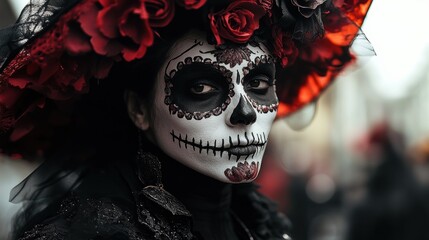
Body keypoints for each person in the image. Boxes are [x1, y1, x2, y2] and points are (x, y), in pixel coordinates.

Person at [0, 0, 372, 239]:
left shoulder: (259, 226)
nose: (245, 114)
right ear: (139, 109)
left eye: (259, 83)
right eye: (200, 89)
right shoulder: (89, 233)